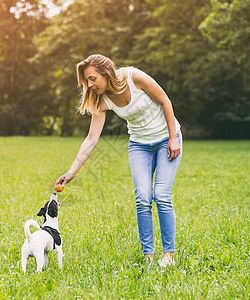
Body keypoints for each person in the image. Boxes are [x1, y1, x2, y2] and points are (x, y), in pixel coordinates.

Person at [55, 54, 182, 267]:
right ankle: (148, 257)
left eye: (92, 78)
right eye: (87, 80)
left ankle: (168, 255)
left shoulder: (134, 77)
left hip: (166, 140)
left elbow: (164, 100)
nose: (89, 84)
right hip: (139, 145)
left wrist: (172, 138)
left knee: (161, 195)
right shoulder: (101, 99)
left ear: (106, 73)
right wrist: (71, 172)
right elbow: (91, 139)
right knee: (142, 197)